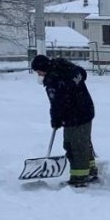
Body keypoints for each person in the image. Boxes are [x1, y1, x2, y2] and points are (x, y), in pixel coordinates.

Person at [31, 54, 98, 187]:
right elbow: (82, 74)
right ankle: (90, 169)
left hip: (75, 115)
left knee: (74, 145)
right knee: (82, 141)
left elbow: (57, 104)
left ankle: (79, 177)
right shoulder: (68, 68)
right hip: (86, 110)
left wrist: (55, 120)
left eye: (39, 72)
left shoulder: (54, 81)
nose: (39, 74)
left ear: (43, 68)